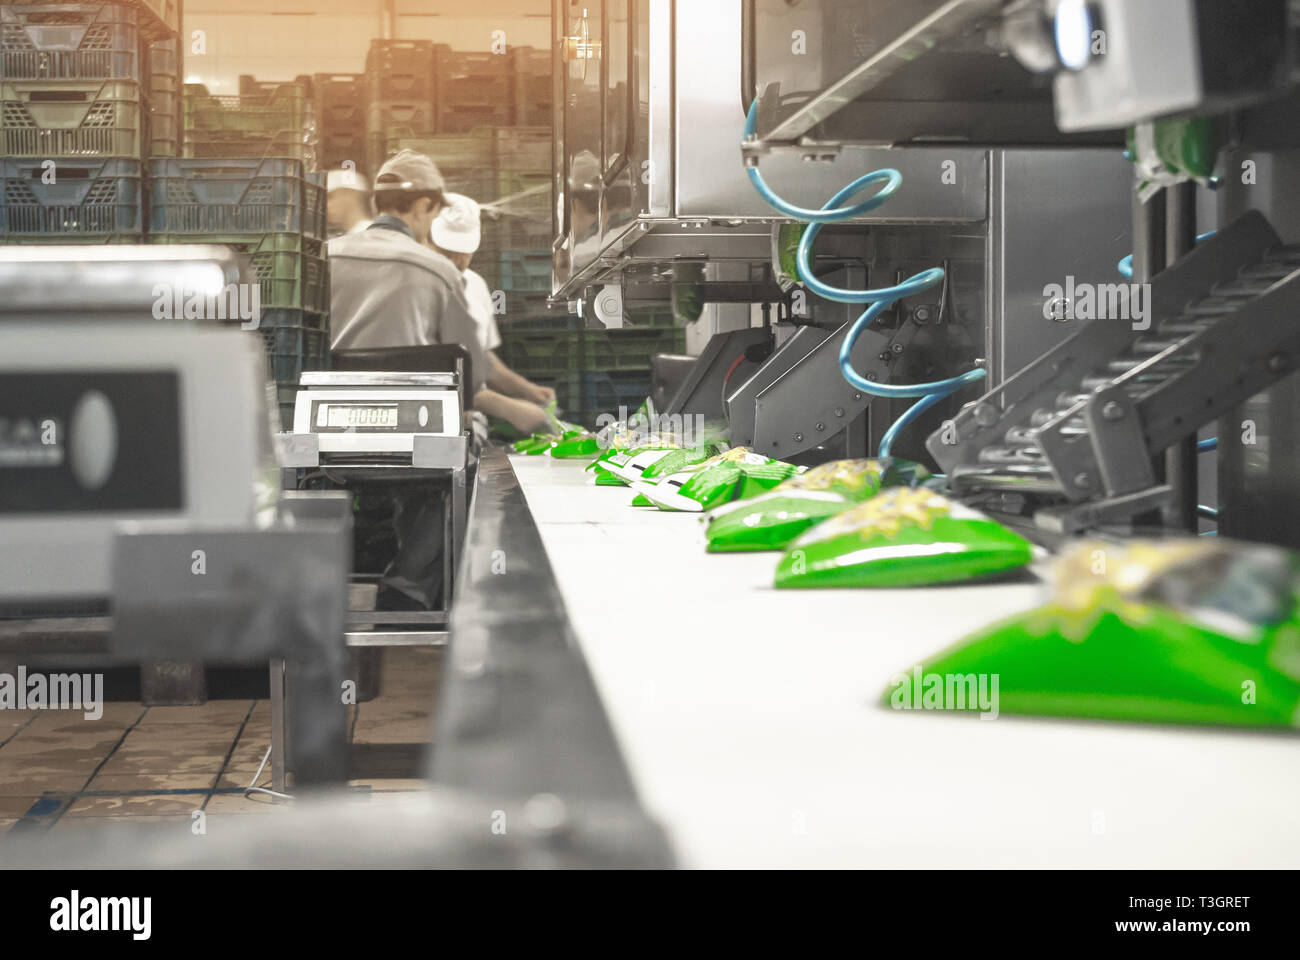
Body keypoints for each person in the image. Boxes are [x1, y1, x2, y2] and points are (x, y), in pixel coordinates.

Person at [327, 150, 486, 612]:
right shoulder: (437, 270)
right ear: (422, 207)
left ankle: (316, 585)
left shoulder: (320, 257)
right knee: (466, 439)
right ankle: (409, 586)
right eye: (432, 212)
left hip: (324, 433)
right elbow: (470, 373)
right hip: (411, 433)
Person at [428, 193, 555, 439]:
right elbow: (434, 372)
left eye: (463, 251)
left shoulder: (474, 285)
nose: (456, 259)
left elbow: (481, 360)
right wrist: (508, 408)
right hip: (429, 421)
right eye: (447, 249)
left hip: (469, 425)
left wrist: (529, 391)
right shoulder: (415, 289)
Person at [325, 168, 374, 237]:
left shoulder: (368, 235)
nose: (326, 205)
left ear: (352, 195)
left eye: (330, 197)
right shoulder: (354, 234)